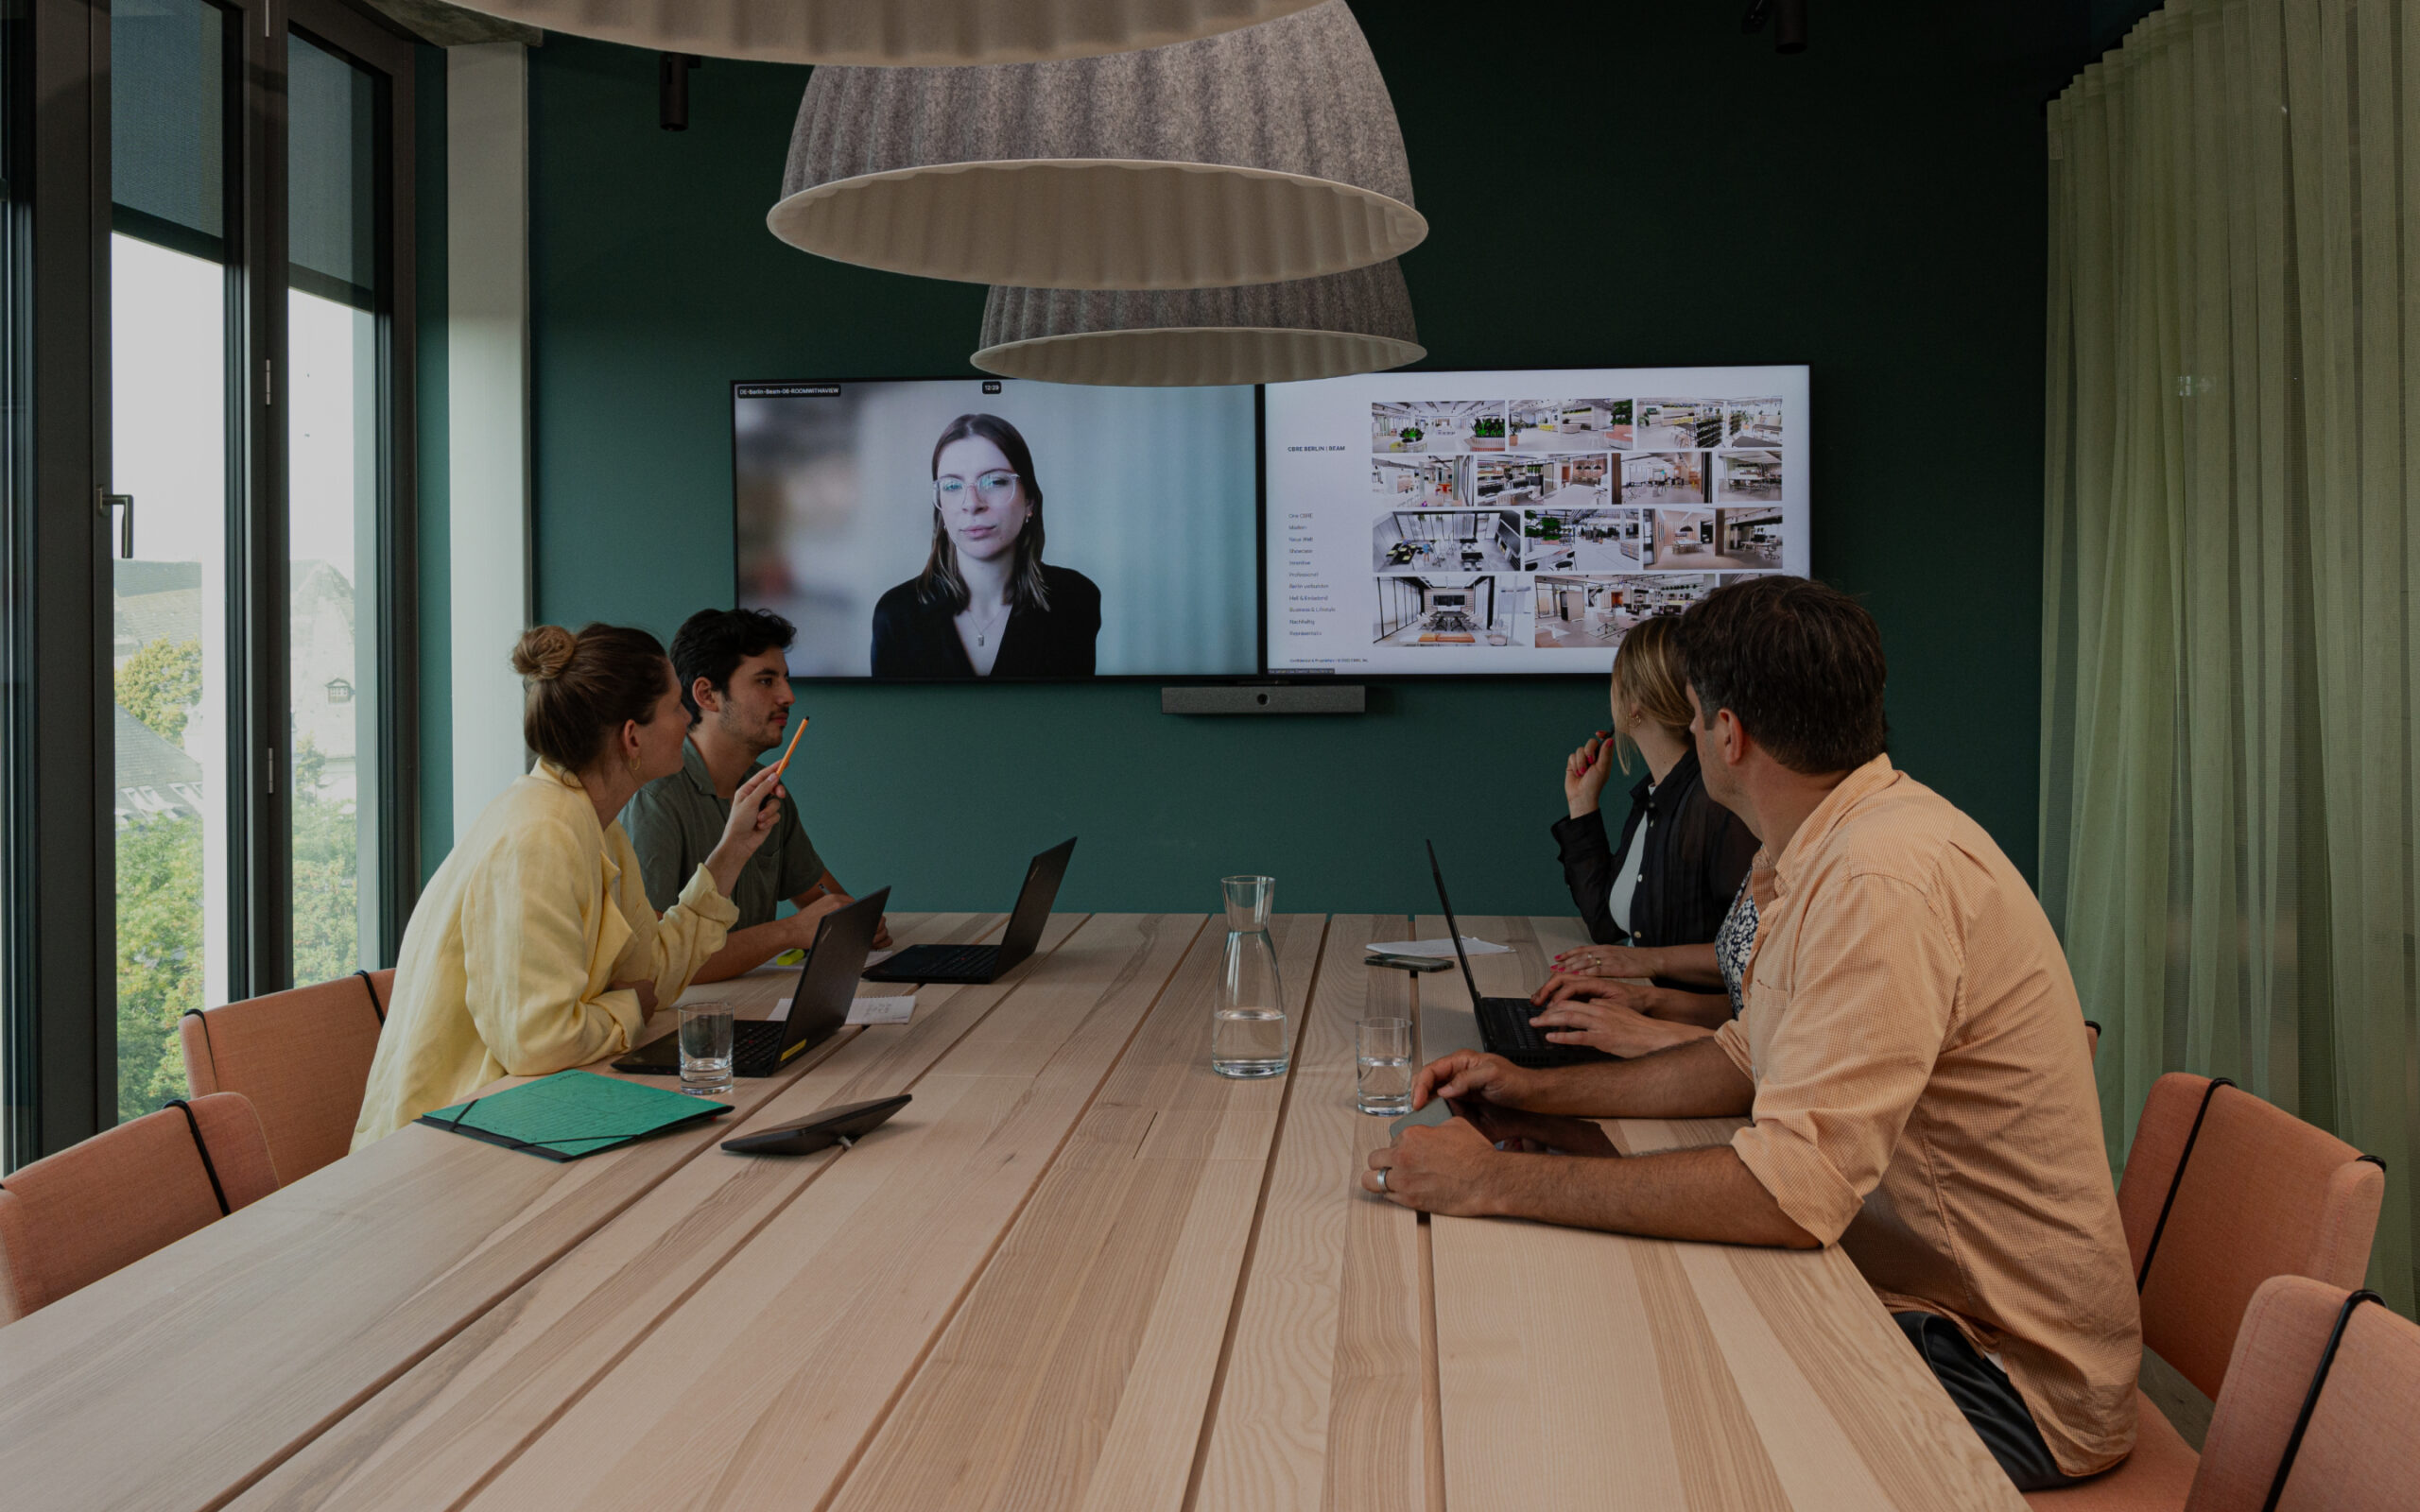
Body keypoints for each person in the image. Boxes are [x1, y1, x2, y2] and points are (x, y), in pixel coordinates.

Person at [1364, 576, 2138, 1492]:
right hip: (1912, 1304)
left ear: (1727, 733)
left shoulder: (1877, 879)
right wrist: (1529, 1088)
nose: (1692, 741)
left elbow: (1786, 1194)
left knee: (1613, 1415)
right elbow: (1742, 1060)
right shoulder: (1826, 845)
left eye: (1693, 720)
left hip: (2000, 1377)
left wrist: (1497, 1181)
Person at [354, 624, 782, 1148]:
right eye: (675, 707)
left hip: (522, 1119)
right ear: (632, 737)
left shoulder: (592, 823)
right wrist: (632, 1008)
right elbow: (540, 1043)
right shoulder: (540, 837)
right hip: (450, 1144)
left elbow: (652, 974)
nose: (689, 719)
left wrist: (733, 850)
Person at [625, 607, 891, 983]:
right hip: (687, 1025)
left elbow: (826, 905)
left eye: (785, 679)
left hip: (749, 1007)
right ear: (707, 695)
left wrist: (857, 922)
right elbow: (653, 962)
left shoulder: (765, 790)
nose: (789, 696)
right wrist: (791, 932)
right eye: (766, 681)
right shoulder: (653, 800)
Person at [1537, 613, 1756, 1057]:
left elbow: (1752, 960)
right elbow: (1607, 922)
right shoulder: (1657, 797)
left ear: (1633, 703)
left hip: (1699, 1043)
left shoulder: (1715, 806)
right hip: (1649, 1020)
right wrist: (1583, 806)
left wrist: (1643, 964)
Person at [871, 413, 1100, 679]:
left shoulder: (1075, 599)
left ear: (1030, 502)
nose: (972, 503)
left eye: (994, 481)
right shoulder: (897, 614)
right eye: (953, 485)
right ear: (941, 508)